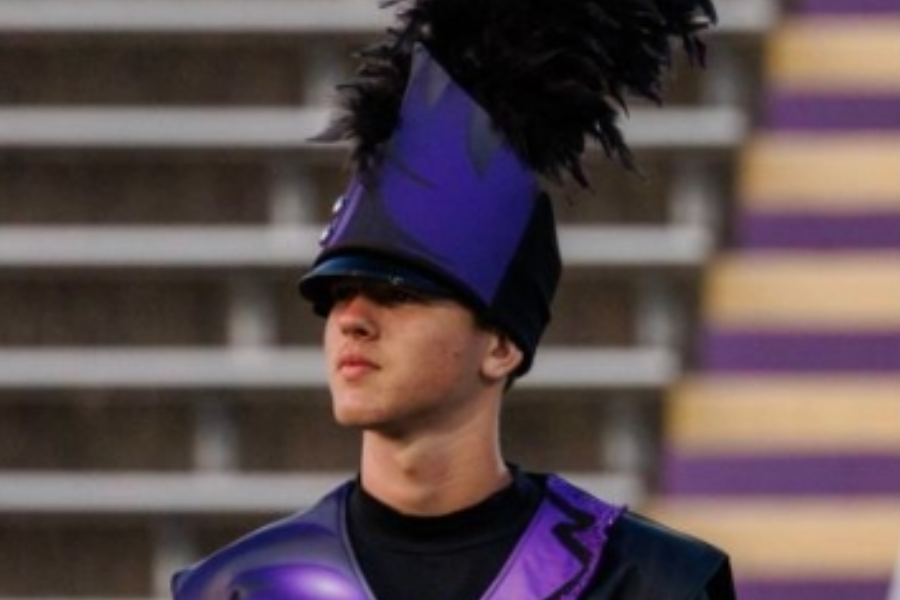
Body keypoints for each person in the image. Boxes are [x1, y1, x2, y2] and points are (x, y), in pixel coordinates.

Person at [172, 0, 737, 598]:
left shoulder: (649, 582)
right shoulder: (236, 589)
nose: (352, 321)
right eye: (337, 295)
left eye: (397, 293)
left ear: (500, 346)